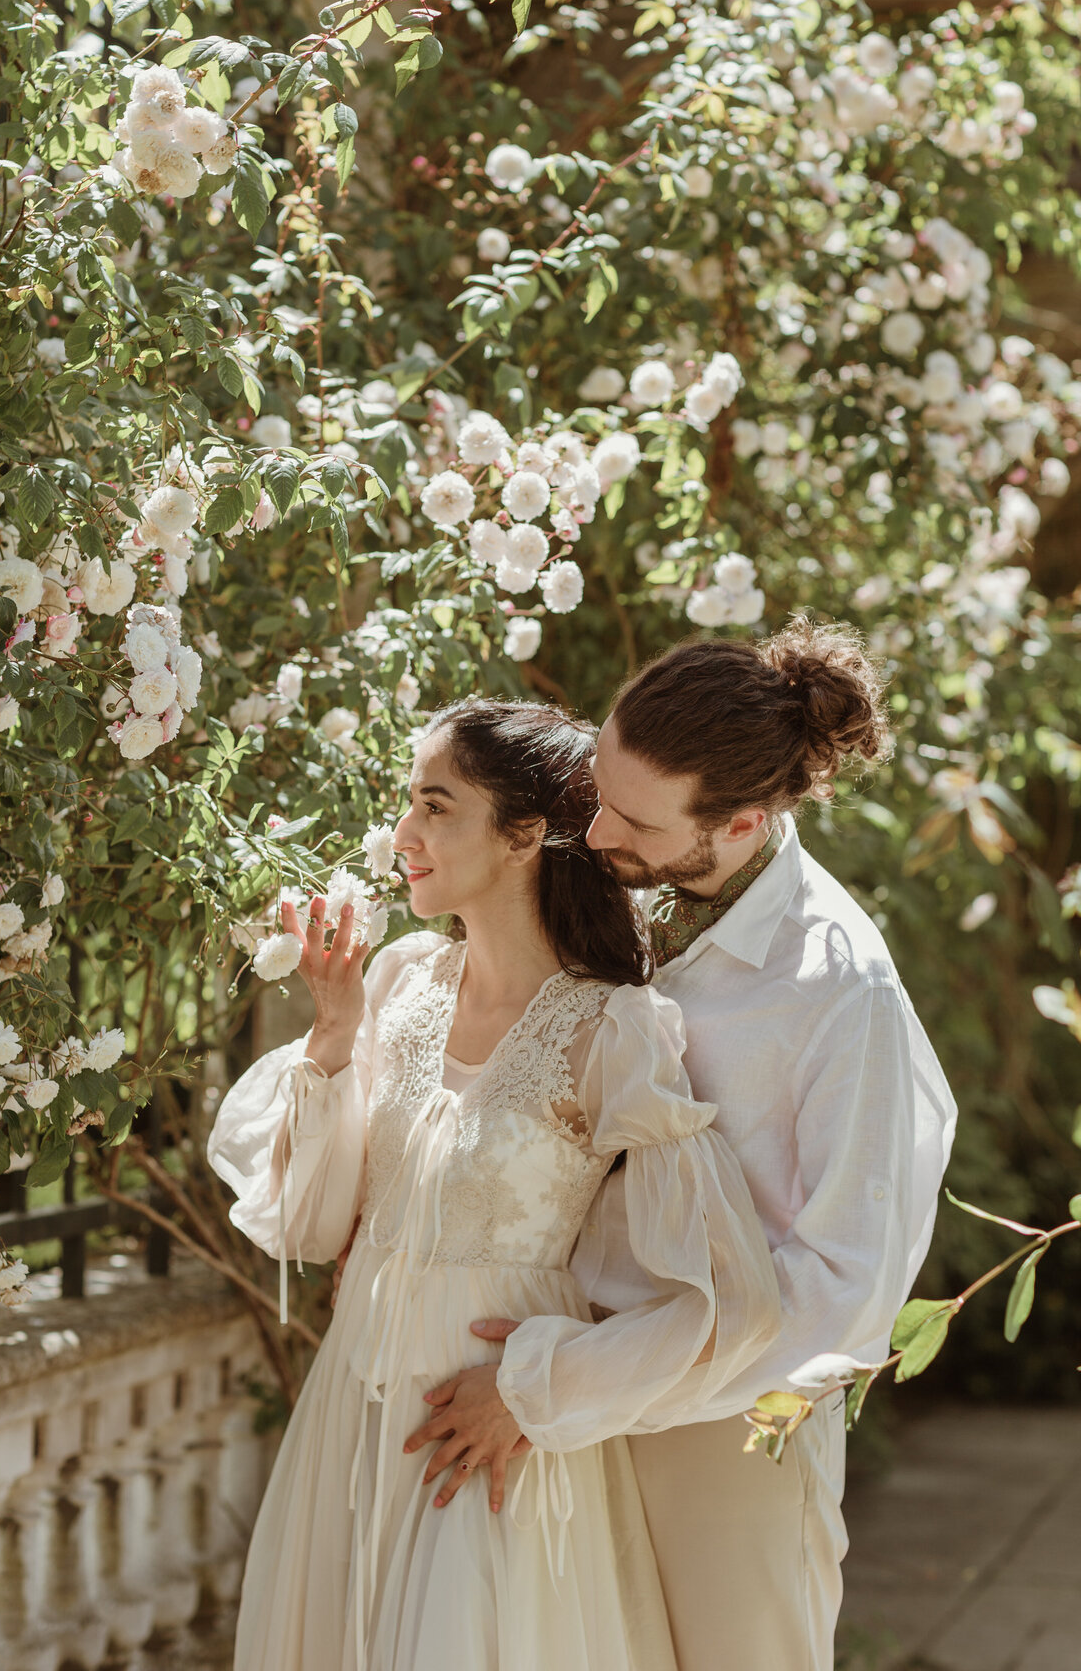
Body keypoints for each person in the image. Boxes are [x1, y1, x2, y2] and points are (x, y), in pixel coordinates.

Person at [413, 619, 958, 1671]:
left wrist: (554, 1388)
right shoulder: (618, 887)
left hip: (722, 1438)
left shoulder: (843, 992)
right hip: (557, 1391)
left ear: (742, 824)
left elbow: (843, 1292)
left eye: (631, 817)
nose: (592, 826)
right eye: (600, 788)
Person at [206, 698, 782, 1671]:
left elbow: (733, 1305)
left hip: (492, 1447)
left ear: (523, 835)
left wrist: (535, 1388)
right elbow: (309, 1226)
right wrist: (336, 1037)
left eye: (435, 806)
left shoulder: (614, 1028)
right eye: (408, 805)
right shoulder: (396, 983)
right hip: (355, 1424)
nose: (404, 834)